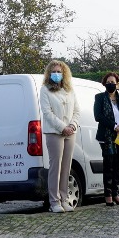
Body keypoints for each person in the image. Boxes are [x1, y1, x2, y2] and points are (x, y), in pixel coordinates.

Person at [39, 60, 81, 213]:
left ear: (64, 73)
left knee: (66, 167)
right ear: (49, 74)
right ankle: (54, 201)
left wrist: (72, 126)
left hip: (71, 132)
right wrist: (62, 127)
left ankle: (64, 199)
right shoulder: (45, 90)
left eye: (59, 71)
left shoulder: (70, 90)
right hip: (54, 132)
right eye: (54, 72)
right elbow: (47, 113)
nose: (56, 74)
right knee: (55, 167)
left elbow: (77, 111)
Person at [93, 72, 119, 207]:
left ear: (117, 83)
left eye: (113, 82)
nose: (111, 84)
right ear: (104, 83)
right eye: (108, 82)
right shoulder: (99, 98)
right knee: (109, 164)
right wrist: (115, 126)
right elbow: (98, 116)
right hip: (107, 135)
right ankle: (108, 195)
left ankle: (116, 193)